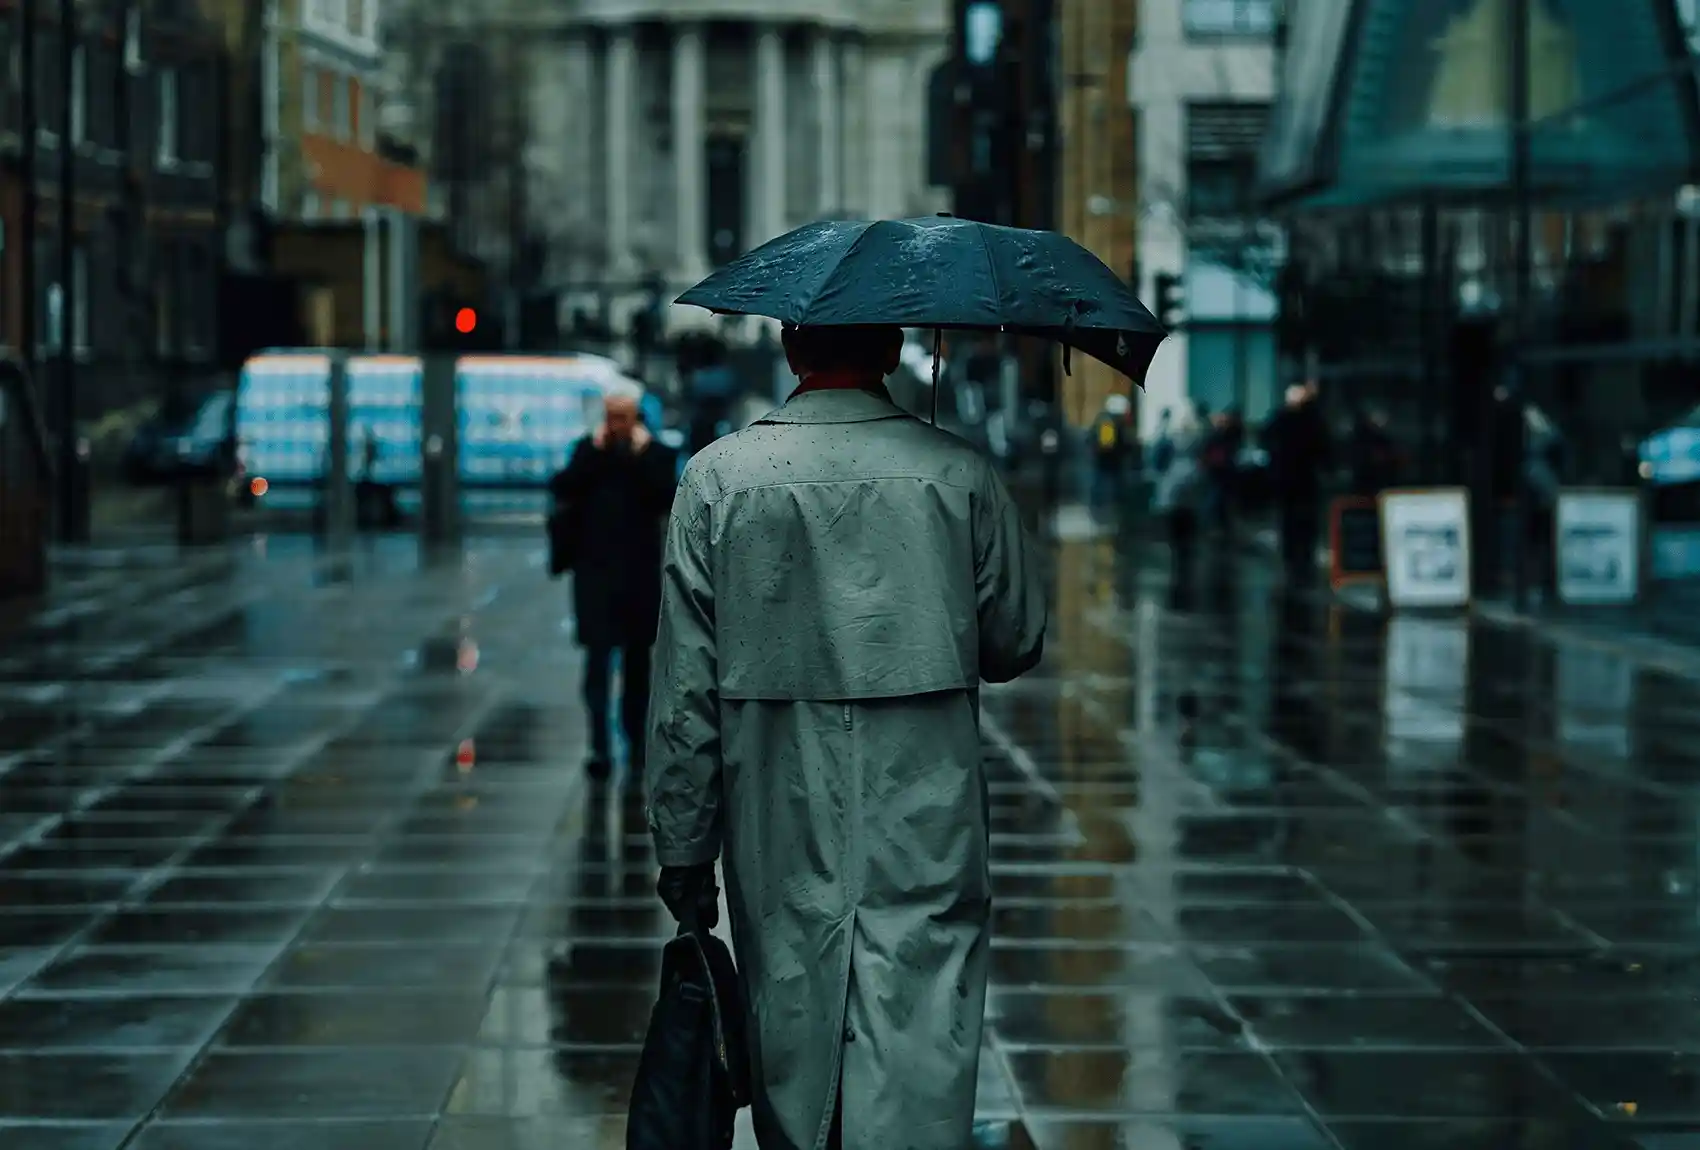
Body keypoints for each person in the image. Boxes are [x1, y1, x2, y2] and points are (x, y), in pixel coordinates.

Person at [646, 323, 1048, 1150]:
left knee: (794, 1016)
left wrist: (684, 847)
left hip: (781, 812)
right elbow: (1014, 638)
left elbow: (685, 696)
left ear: (791, 348)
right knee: (920, 1030)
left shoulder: (718, 480)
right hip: (927, 817)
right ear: (892, 350)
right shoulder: (960, 474)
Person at [549, 391, 679, 785]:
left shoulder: (655, 454)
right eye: (612, 417)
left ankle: (635, 743)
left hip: (638, 576)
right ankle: (600, 746)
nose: (618, 425)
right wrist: (595, 451)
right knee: (597, 665)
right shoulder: (588, 451)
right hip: (596, 575)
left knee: (638, 666)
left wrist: (641, 455)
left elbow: (665, 495)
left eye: (624, 417)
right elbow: (564, 486)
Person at [1263, 381, 1333, 584]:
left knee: (1290, 523)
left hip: (1288, 480)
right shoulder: (1312, 421)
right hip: (1304, 480)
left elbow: (1268, 440)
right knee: (1305, 523)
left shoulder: (1281, 420)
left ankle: (1293, 562)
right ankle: (1303, 562)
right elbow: (1323, 449)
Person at [1151, 405, 1204, 590]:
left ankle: (1178, 550)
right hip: (1191, 482)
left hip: (1175, 483)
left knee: (1176, 518)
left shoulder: (1170, 439)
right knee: (1187, 518)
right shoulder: (1198, 438)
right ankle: (1185, 550)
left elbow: (1158, 458)